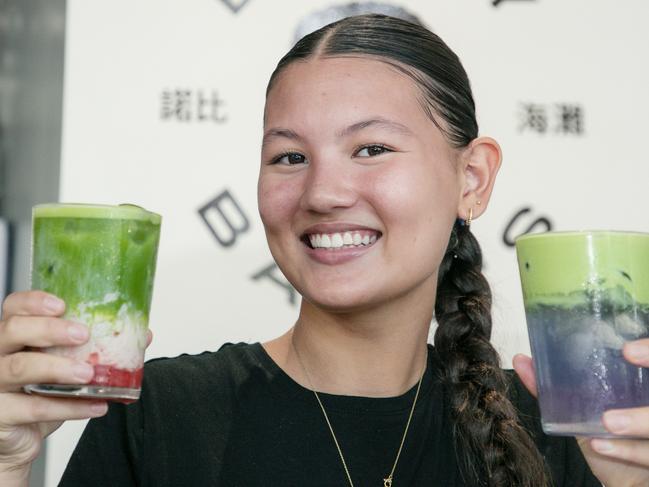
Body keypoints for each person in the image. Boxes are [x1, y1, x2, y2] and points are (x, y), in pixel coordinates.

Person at [1, 14, 648, 487]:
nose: (323, 192)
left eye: (370, 148)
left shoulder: (578, 433)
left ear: (471, 179)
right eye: (288, 156)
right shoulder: (163, 415)